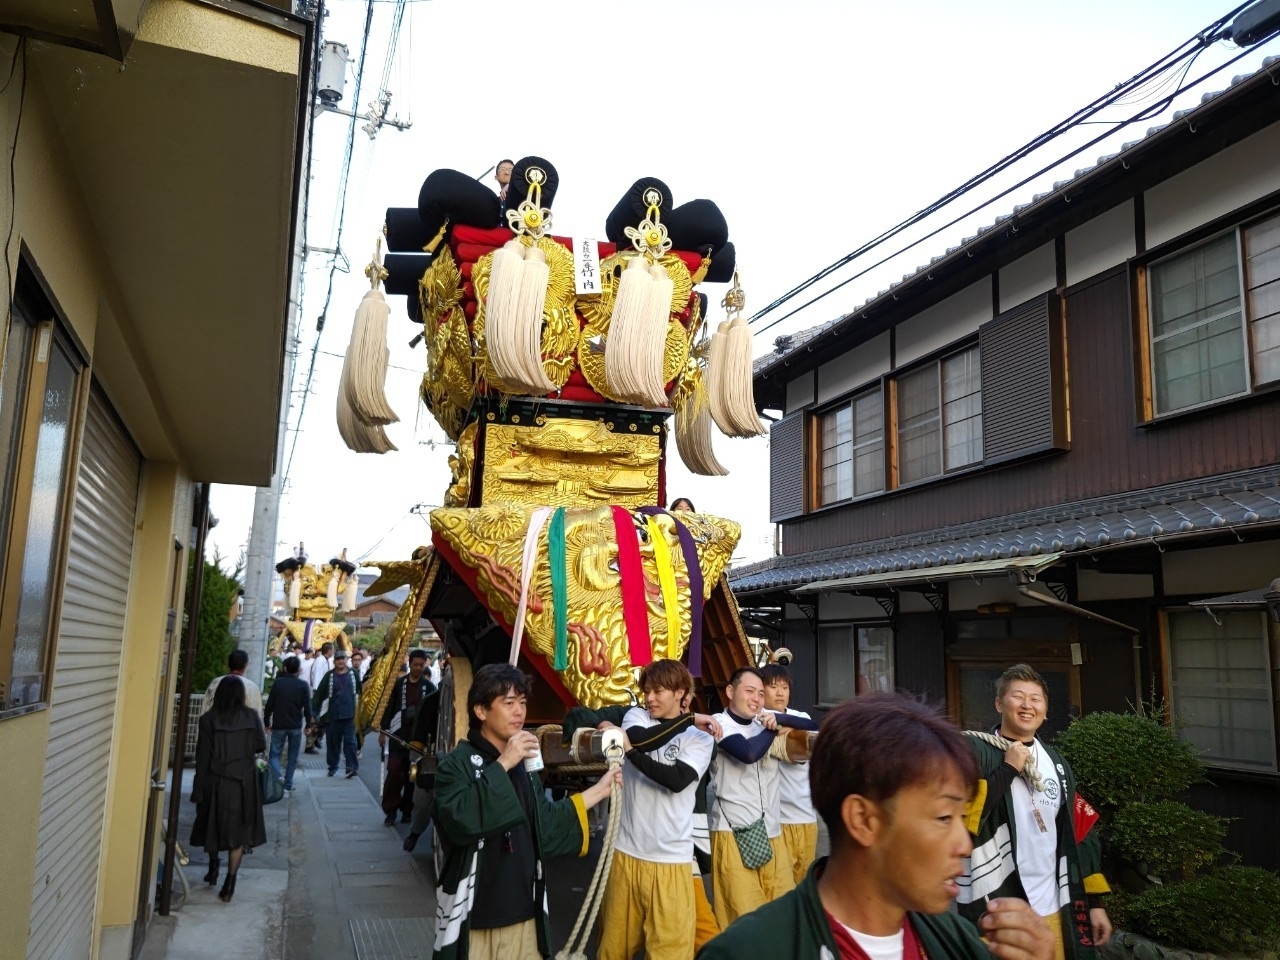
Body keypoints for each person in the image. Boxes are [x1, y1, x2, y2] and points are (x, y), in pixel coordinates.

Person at [696, 693, 1055, 960]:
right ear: (864, 820)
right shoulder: (749, 952)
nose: (963, 845)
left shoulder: (956, 941)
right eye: (943, 818)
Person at [432, 663, 619, 960]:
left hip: (524, 907)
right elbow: (461, 821)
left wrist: (601, 790)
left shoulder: (526, 764)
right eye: (508, 703)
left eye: (522, 702)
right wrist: (503, 764)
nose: (519, 711)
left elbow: (543, 825)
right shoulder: (456, 764)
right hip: (476, 912)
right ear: (481, 711)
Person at [957, 665, 1112, 960]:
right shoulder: (975, 752)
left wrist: (1094, 904)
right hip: (1000, 907)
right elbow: (960, 818)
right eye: (1018, 697)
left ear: (1045, 710)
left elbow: (1080, 832)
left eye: (1036, 699)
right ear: (1000, 704)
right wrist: (1008, 769)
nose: (1027, 705)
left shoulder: (1056, 763)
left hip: (1055, 903)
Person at [599, 659, 718, 960]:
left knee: (669, 951)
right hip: (626, 851)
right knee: (613, 949)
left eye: (659, 691)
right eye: (647, 691)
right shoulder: (638, 716)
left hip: (670, 860)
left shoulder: (700, 738)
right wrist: (689, 719)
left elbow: (675, 781)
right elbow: (642, 740)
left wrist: (627, 751)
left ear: (680, 693)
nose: (650, 698)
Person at [708, 666, 815, 927]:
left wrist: (777, 720)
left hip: (772, 832)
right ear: (731, 691)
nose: (756, 699)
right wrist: (772, 727)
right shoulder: (717, 723)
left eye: (759, 693)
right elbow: (747, 753)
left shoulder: (762, 720)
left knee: (784, 911)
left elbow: (814, 725)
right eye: (749, 691)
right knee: (743, 919)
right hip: (733, 834)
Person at [190, 677, 267, 904]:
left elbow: (202, 756)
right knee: (238, 833)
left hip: (216, 780)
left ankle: (213, 867)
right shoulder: (251, 717)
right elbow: (261, 745)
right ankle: (230, 882)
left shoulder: (208, 719)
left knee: (212, 826)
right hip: (244, 782)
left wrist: (198, 788)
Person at [759, 663, 819, 884]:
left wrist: (785, 723)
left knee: (805, 882)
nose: (780, 692)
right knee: (780, 883)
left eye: (784, 687)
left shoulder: (798, 715)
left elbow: (813, 725)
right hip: (779, 819)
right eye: (774, 687)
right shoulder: (759, 718)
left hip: (807, 814)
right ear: (762, 690)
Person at [380, 648, 434, 825]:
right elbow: (388, 708)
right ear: (409, 664)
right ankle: (390, 810)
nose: (418, 668)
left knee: (413, 777)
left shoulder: (429, 688)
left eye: (421, 665)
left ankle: (407, 810)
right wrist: (383, 730)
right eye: (415, 665)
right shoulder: (398, 684)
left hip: (417, 740)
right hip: (397, 736)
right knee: (394, 773)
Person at [401, 677, 442, 853]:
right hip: (432, 754)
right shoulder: (431, 701)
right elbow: (418, 736)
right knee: (424, 798)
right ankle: (415, 833)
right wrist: (416, 760)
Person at [263, 655, 313, 791]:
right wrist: (308, 725)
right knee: (292, 757)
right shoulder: (303, 685)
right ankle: (288, 783)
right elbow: (308, 707)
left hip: (278, 724)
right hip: (295, 725)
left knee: (274, 754)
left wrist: (266, 722)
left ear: (285, 668)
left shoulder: (278, 683)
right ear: (299, 669)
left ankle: (278, 778)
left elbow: (269, 705)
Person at [313, 649, 362, 778]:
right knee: (333, 743)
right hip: (332, 716)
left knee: (350, 742)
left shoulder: (353, 674)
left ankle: (351, 767)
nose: (340, 661)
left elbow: (360, 691)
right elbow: (318, 695)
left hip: (349, 715)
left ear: (346, 660)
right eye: (338, 659)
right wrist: (314, 713)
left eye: (342, 659)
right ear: (334, 661)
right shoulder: (329, 676)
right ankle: (332, 767)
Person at [201, 649, 263, 715]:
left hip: (215, 723)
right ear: (246, 665)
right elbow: (256, 712)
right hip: (242, 724)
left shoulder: (215, 683)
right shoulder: (252, 687)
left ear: (228, 663)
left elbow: (206, 707)